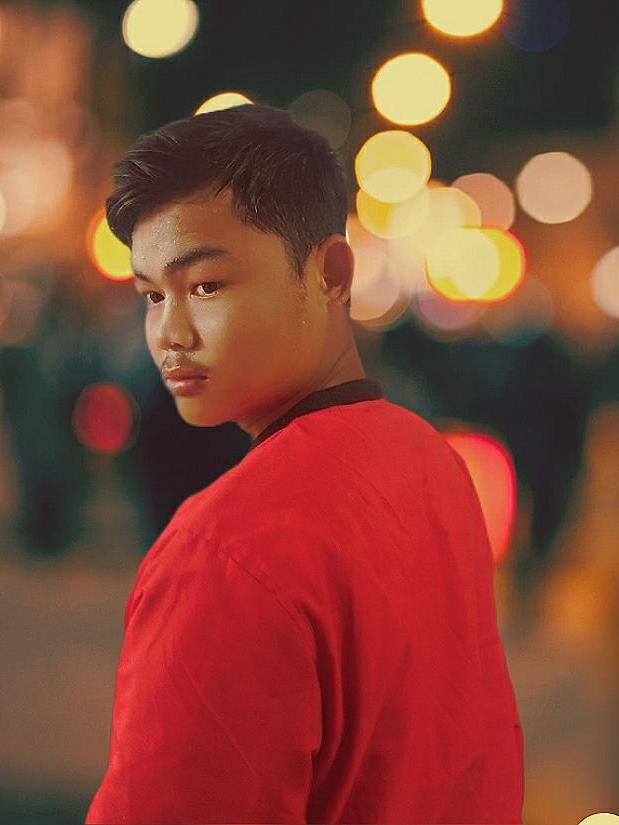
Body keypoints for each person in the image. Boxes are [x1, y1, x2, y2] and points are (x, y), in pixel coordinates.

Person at [85, 104, 523, 825]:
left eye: (206, 286)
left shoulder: (228, 548)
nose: (169, 333)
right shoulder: (429, 461)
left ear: (329, 273)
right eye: (152, 295)